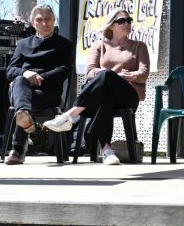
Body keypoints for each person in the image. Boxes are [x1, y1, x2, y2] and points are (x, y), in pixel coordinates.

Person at [43, 9, 150, 165]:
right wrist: (116, 75)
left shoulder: (139, 46)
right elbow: (90, 71)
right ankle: (107, 150)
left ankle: (70, 115)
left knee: (106, 76)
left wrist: (117, 77)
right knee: (104, 94)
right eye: (121, 21)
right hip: (104, 96)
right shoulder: (99, 45)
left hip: (128, 94)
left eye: (129, 20)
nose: (126, 23)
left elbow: (144, 73)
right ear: (111, 26)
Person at [3, 4, 74, 164]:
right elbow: (10, 71)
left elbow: (63, 70)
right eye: (39, 19)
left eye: (48, 19)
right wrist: (26, 73)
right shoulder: (23, 44)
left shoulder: (64, 44)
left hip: (47, 94)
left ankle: (17, 148)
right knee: (20, 81)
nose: (44, 23)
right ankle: (23, 116)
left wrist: (39, 77)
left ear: (54, 20)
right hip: (21, 91)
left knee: (22, 101)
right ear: (33, 23)